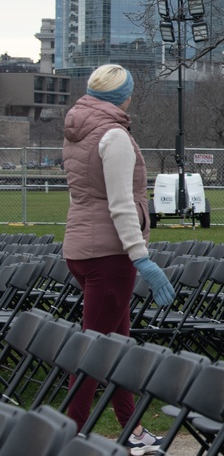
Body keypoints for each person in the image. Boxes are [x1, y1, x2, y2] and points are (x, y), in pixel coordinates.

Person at [61, 64, 175, 452]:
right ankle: (67, 436)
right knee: (95, 350)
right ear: (122, 95)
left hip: (83, 246)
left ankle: (133, 430)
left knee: (116, 342)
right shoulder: (114, 135)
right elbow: (121, 204)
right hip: (109, 254)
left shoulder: (79, 128)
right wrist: (141, 257)